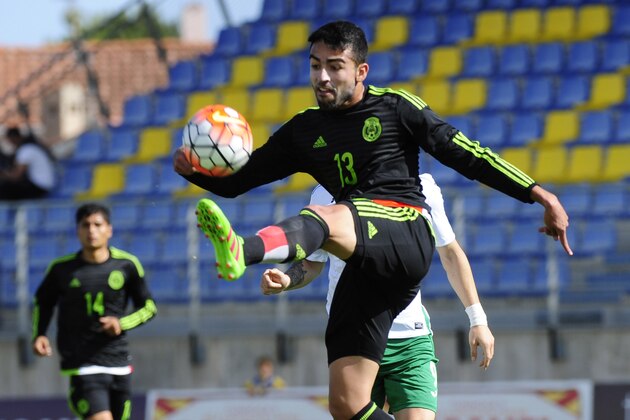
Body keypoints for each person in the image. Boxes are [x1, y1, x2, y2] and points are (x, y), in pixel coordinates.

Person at [173, 20, 571, 420]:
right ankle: (248, 249)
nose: (322, 77)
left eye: (334, 66)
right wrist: (193, 171)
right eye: (315, 66)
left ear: (361, 71)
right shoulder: (305, 130)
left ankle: (244, 249)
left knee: (324, 216)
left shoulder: (396, 108)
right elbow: (239, 181)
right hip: (361, 270)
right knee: (345, 404)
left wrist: (538, 193)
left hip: (404, 230)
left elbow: (468, 154)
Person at [260, 174, 494, 419]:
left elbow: (450, 254)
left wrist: (477, 319)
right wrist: (287, 279)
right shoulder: (325, 193)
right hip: (355, 337)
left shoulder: (421, 186)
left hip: (411, 338)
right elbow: (312, 263)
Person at [32, 203, 158, 420]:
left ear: (109, 229)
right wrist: (40, 334)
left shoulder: (126, 265)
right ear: (77, 230)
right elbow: (44, 302)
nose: (91, 230)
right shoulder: (61, 269)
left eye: (97, 225)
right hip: (82, 365)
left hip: (118, 363)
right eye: (85, 225)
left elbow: (148, 307)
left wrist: (121, 323)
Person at [0, 126, 57, 200]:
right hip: (42, 186)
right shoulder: (30, 147)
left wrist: (3, 174)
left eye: (10, 140)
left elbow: (16, 176)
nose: (10, 143)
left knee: (5, 189)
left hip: (40, 188)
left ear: (14, 138)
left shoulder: (25, 150)